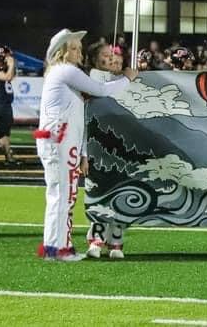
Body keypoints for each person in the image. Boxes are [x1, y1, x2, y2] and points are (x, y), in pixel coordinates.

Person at [36, 29, 137, 261]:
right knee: (62, 197)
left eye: (79, 48)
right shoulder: (66, 70)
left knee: (61, 196)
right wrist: (127, 78)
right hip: (60, 142)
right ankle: (59, 249)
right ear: (62, 52)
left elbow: (78, 115)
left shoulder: (61, 72)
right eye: (73, 48)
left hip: (62, 142)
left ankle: (55, 247)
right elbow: (101, 90)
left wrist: (81, 152)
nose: (79, 53)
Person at [84, 43, 129, 259]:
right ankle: (96, 239)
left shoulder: (119, 80)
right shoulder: (93, 78)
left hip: (120, 144)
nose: (111, 59)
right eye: (106, 55)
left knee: (122, 191)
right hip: (98, 144)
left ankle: (116, 240)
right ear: (95, 59)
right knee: (100, 191)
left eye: (115, 56)